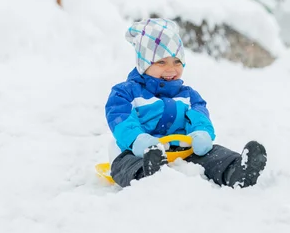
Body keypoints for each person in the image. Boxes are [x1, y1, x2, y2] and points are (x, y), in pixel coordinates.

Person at [105, 18, 267, 188]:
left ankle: (237, 171)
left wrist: (201, 133)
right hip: (139, 152)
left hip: (182, 150)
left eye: (177, 61)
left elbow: (199, 115)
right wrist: (139, 140)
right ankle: (149, 174)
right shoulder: (126, 93)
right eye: (161, 62)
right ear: (143, 64)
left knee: (214, 154)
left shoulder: (188, 95)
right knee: (125, 164)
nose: (171, 69)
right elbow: (120, 118)